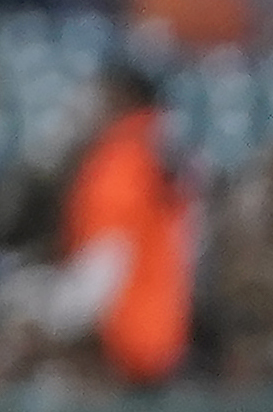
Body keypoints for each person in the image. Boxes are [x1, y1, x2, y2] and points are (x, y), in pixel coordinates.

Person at [63, 63, 198, 388]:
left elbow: (100, 271)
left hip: (120, 348)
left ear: (121, 98)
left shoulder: (120, 162)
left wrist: (49, 317)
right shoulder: (163, 153)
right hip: (171, 339)